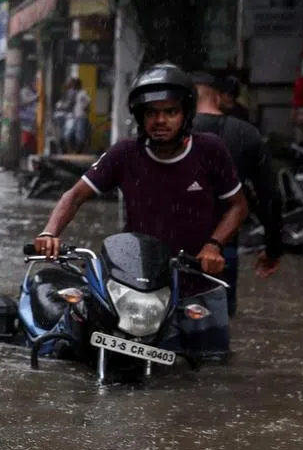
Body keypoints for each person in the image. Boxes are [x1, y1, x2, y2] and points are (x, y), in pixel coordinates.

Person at [33, 63, 249, 360]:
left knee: (212, 372)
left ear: (185, 114)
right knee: (123, 366)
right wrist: (49, 233)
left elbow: (238, 207)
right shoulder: (125, 153)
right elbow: (74, 196)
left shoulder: (211, 151)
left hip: (198, 284)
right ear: (140, 117)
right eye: (151, 113)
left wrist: (214, 246)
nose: (160, 120)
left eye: (170, 112)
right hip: (139, 289)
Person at [191, 71, 283, 315]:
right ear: (219, 99)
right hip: (223, 246)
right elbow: (270, 196)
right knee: (219, 326)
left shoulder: (166, 133)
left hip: (172, 246)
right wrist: (273, 248)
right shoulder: (246, 134)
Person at [62, 78, 91, 154]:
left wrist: (84, 107)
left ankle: (79, 152)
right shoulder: (75, 93)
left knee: (80, 136)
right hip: (75, 116)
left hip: (81, 116)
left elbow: (87, 103)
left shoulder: (83, 93)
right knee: (70, 134)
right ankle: (73, 151)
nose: (73, 86)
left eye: (75, 84)